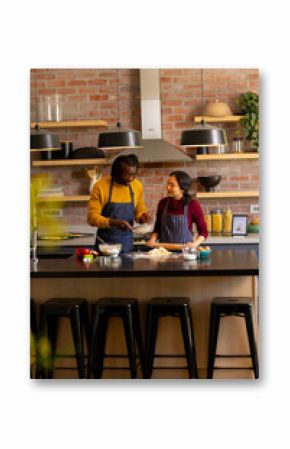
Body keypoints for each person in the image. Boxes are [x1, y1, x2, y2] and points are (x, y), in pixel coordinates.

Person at [87, 154, 151, 252]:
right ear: (116, 172)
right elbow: (92, 218)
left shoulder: (137, 185)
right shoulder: (100, 187)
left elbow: (139, 209)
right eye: (127, 174)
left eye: (134, 174)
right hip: (105, 246)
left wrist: (142, 217)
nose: (131, 178)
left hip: (127, 245)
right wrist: (113, 222)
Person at [147, 170, 208, 248]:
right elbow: (158, 228)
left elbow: (203, 232)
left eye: (172, 185)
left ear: (182, 188)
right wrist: (152, 239)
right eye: (168, 184)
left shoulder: (193, 205)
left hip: (185, 252)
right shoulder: (162, 203)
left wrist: (194, 244)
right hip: (164, 252)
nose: (168, 187)